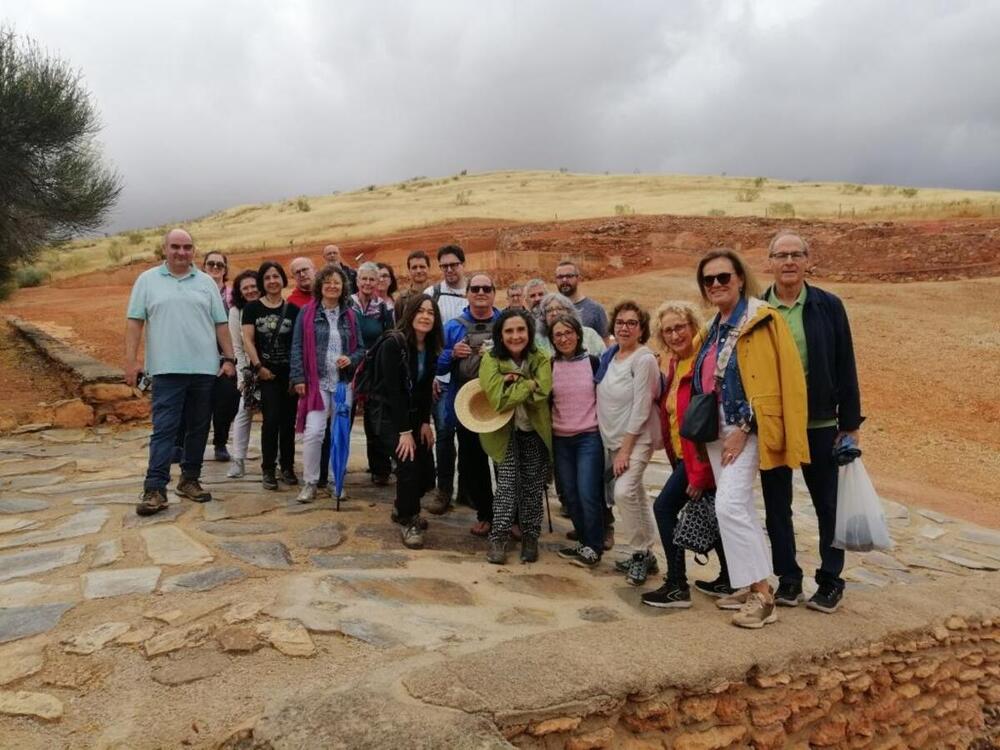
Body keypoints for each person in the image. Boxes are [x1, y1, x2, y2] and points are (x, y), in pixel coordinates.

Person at [691, 247, 808, 629]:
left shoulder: (763, 320)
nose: (716, 284)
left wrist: (744, 429)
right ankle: (752, 582)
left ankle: (762, 596)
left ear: (740, 279)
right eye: (709, 280)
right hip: (716, 429)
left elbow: (780, 379)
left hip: (744, 427)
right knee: (738, 508)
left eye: (724, 277)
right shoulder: (714, 327)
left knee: (728, 506)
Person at [761, 231, 863, 614]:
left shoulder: (828, 306)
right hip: (772, 424)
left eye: (796, 254)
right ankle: (788, 579)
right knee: (776, 506)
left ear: (808, 261)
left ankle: (830, 579)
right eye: (781, 255)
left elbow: (845, 363)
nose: (789, 261)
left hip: (820, 423)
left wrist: (849, 423)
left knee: (827, 506)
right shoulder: (757, 309)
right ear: (768, 261)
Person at [124, 228, 236, 516]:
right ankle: (155, 488)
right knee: (165, 430)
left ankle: (189, 480)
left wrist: (230, 359)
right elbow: (135, 322)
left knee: (199, 429)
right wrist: (131, 362)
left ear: (193, 251)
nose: (181, 252)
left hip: (204, 369)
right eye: (175, 246)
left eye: (187, 247)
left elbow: (220, 324)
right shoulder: (147, 281)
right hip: (165, 370)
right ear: (165, 249)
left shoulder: (206, 283)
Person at [641, 301, 732, 608]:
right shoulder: (675, 363)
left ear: (694, 327)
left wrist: (700, 473)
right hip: (684, 458)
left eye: (680, 327)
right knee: (710, 512)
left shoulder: (702, 363)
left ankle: (677, 585)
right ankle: (731, 578)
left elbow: (707, 422)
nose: (675, 334)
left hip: (700, 460)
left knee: (664, 509)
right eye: (668, 330)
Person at [596, 300, 662, 586]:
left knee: (623, 492)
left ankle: (638, 554)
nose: (625, 327)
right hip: (611, 438)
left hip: (635, 440)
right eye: (620, 322)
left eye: (632, 323)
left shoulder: (643, 359)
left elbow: (642, 407)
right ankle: (647, 554)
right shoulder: (612, 355)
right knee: (635, 495)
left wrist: (625, 449)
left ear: (642, 328)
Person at [479, 309, 552, 564]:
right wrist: (528, 383)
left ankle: (531, 535)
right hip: (503, 431)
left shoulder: (540, 357)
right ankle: (498, 537)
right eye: (509, 331)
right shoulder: (490, 359)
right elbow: (498, 401)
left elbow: (542, 393)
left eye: (521, 330)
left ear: (529, 332)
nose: (515, 335)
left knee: (532, 485)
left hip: (534, 429)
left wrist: (514, 384)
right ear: (500, 334)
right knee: (507, 485)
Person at [370, 293, 443, 548]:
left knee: (425, 464)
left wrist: (424, 423)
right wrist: (404, 431)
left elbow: (423, 390)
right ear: (409, 314)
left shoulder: (431, 347)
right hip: (389, 414)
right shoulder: (394, 343)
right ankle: (409, 520)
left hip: (412, 414)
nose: (425, 316)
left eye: (431, 312)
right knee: (408, 461)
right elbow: (393, 392)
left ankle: (402, 506)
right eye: (420, 311)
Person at [290, 265, 365, 502]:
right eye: (328, 282)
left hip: (343, 384)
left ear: (343, 287)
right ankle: (310, 482)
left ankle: (336, 481)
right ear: (320, 285)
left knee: (340, 433)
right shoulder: (306, 313)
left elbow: (361, 349)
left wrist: (350, 359)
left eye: (337, 282)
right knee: (314, 432)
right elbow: (297, 346)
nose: (332, 286)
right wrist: (298, 378)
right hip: (316, 383)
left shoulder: (351, 315)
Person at [435, 272, 501, 532]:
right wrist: (452, 354)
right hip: (466, 404)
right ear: (468, 293)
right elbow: (437, 362)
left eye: (486, 288)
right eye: (476, 288)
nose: (481, 293)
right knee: (473, 463)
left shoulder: (507, 322)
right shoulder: (453, 327)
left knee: (504, 463)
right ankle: (486, 514)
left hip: (500, 402)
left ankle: (511, 516)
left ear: (494, 292)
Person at [549, 314, 605, 568]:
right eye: (558, 334)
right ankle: (584, 541)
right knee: (570, 495)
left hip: (588, 438)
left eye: (568, 332)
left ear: (578, 335)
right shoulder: (550, 366)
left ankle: (594, 546)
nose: (564, 338)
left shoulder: (593, 363)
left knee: (587, 492)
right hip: (560, 439)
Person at [242, 261, 301, 491]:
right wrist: (258, 366)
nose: (272, 281)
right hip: (266, 373)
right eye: (267, 277)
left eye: (276, 276)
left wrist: (296, 376)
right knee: (271, 421)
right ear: (262, 282)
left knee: (289, 422)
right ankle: (268, 468)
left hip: (289, 374)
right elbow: (247, 338)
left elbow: (297, 345)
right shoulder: (253, 309)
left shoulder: (294, 310)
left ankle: (287, 466)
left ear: (282, 279)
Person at [424, 245, 468, 513]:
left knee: (469, 436)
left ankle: (468, 490)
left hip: (468, 379)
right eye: (445, 266)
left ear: (463, 264)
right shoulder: (432, 295)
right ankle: (443, 490)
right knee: (443, 434)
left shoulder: (475, 292)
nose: (450, 270)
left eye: (454, 264)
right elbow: (425, 340)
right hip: (441, 379)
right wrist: (430, 375)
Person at [352, 261, 396, 485]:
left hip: (375, 371)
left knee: (374, 419)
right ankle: (331, 469)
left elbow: (390, 336)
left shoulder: (384, 308)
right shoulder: (347, 305)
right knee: (344, 418)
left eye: (372, 279)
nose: (368, 283)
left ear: (378, 282)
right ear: (357, 281)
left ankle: (380, 469)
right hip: (349, 369)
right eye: (364, 279)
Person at [199, 251, 240, 461]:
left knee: (227, 399)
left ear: (225, 269)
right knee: (199, 403)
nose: (215, 268)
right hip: (199, 356)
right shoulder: (195, 291)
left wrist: (228, 358)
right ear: (204, 267)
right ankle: (188, 445)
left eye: (219, 265)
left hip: (228, 356)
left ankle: (220, 442)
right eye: (210, 264)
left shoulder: (234, 296)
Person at [225, 270, 261, 478]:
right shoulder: (236, 312)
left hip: (272, 368)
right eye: (245, 288)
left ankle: (275, 461)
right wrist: (242, 377)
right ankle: (238, 460)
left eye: (253, 286)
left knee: (275, 416)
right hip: (249, 371)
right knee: (243, 413)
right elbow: (238, 348)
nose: (250, 290)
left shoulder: (269, 305)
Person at [535, 292, 607, 356]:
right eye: (549, 310)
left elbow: (604, 361)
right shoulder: (538, 340)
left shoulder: (590, 334)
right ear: (543, 317)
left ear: (569, 312)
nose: (554, 313)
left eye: (559, 309)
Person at [555, 260, 609, 340]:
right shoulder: (550, 310)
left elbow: (605, 344)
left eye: (569, 276)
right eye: (560, 277)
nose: (564, 280)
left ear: (578, 279)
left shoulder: (595, 310)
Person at [396, 250, 431, 317]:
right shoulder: (401, 301)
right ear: (409, 271)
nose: (418, 271)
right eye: (414, 267)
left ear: (428, 268)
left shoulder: (437, 294)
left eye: (422, 267)